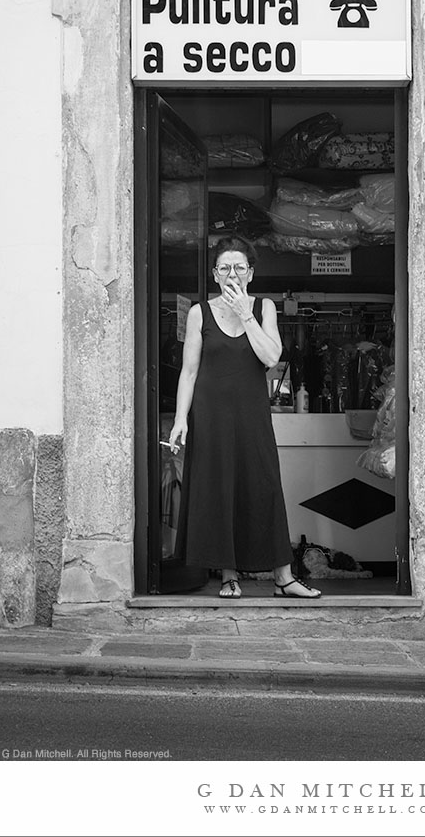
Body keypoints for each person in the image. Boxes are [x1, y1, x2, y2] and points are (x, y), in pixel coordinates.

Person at [167, 236, 322, 599]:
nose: (232, 274)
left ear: (250, 273)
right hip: (211, 416)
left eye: (239, 267)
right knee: (219, 491)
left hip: (252, 415)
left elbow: (271, 357)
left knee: (264, 488)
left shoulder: (264, 307)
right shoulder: (199, 313)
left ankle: (283, 578)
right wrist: (180, 419)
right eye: (225, 268)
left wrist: (245, 314)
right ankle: (228, 576)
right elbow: (189, 371)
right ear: (214, 274)